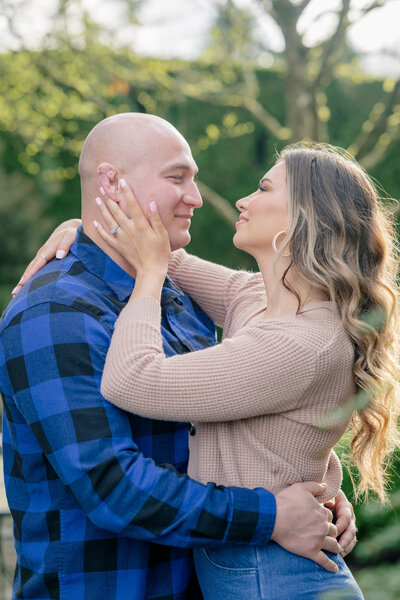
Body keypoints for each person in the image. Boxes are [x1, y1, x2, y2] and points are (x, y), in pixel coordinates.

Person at [0, 114, 356, 600]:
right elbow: (112, 485)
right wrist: (274, 515)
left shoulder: (174, 296)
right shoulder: (55, 311)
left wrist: (314, 490)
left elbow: (246, 415)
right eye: (177, 178)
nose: (197, 197)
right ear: (112, 182)